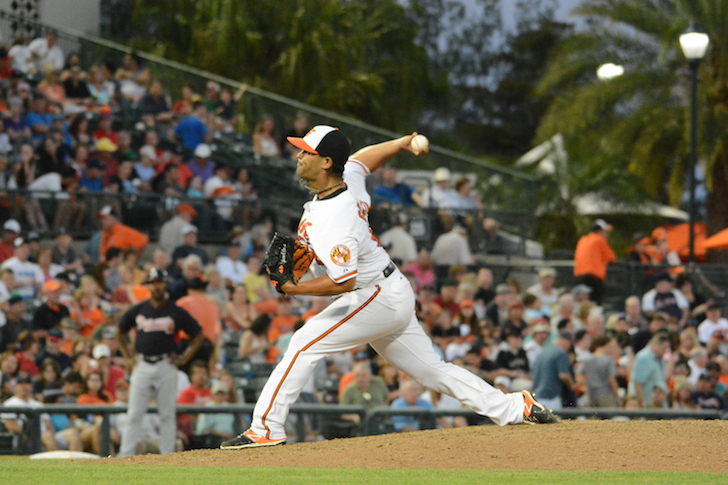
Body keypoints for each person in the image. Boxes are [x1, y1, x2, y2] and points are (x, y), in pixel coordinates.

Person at [220, 127, 555, 450]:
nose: (297, 156)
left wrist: (295, 289)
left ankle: (265, 428)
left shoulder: (336, 217)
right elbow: (362, 160)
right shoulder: (343, 178)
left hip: (373, 294)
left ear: (324, 162)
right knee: (431, 372)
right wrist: (402, 142)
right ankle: (515, 407)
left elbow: (344, 280)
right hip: (386, 290)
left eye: (306, 151)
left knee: (303, 343)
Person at [116, 268, 205, 456]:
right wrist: (127, 357)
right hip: (142, 364)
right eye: (153, 282)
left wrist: (184, 358)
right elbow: (119, 330)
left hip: (166, 365)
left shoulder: (175, 311)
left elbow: (198, 334)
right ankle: (125, 454)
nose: (157, 286)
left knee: (166, 414)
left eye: (159, 282)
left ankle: (167, 456)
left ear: (165, 285)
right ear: (148, 285)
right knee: (134, 413)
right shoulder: (139, 309)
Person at [573, 219, 616, 305]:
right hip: (593, 279)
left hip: (579, 278)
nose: (607, 234)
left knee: (580, 306)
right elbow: (613, 258)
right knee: (595, 307)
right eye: (605, 231)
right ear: (600, 231)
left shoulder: (583, 239)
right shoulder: (599, 240)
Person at [531, 332, 574, 411]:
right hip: (551, 397)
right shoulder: (561, 353)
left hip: (536, 396)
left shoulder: (541, 352)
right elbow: (563, 375)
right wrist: (572, 385)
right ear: (566, 341)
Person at [628, 333, 670, 408]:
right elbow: (638, 383)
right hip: (648, 403)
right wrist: (643, 404)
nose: (665, 352)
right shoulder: (644, 358)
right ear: (656, 345)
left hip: (657, 404)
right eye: (664, 348)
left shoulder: (658, 359)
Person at [579, 335, 620, 407]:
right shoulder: (608, 359)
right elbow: (611, 379)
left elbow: (581, 376)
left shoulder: (587, 359)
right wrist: (617, 396)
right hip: (606, 394)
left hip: (591, 395)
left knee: (593, 417)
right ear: (607, 344)